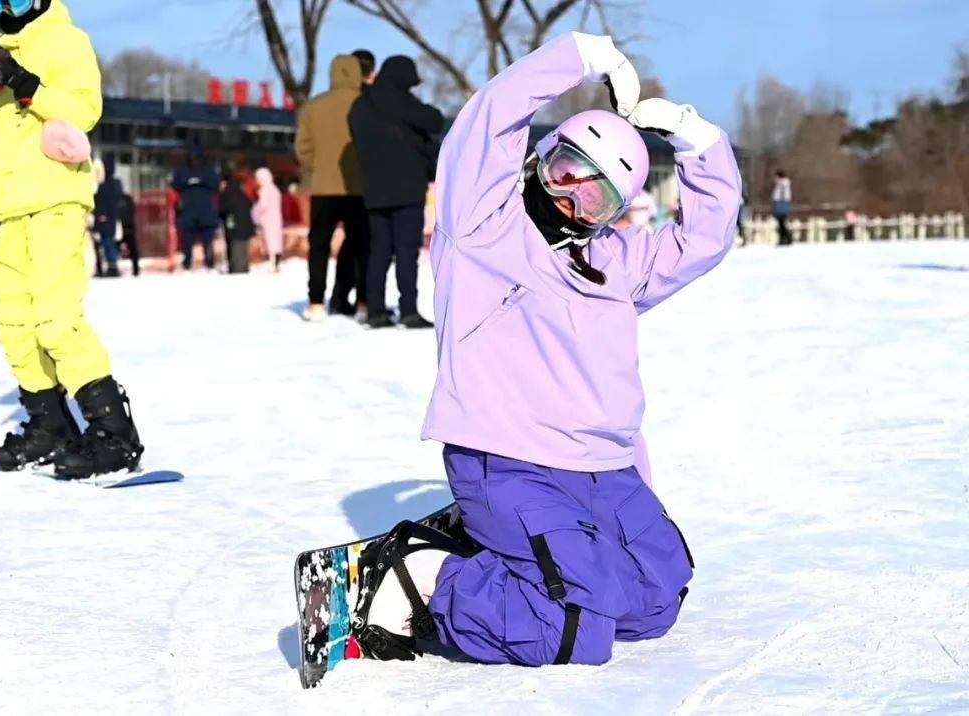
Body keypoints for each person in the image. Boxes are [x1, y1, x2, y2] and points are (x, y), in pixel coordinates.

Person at [352, 32, 740, 669]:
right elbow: (489, 118)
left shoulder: (614, 263)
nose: (570, 195)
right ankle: (420, 583)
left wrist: (696, 138)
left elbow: (703, 238)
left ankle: (501, 555)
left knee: (652, 600)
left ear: (614, 211)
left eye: (595, 194)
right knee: (571, 627)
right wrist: (583, 56)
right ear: (543, 155)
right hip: (509, 460)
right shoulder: (483, 227)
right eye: (567, 170)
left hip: (604, 470)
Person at [0, 0, 144, 478]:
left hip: (55, 198)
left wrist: (24, 83)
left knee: (57, 319)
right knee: (14, 324)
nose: (2, 6)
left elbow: (85, 110)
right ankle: (49, 428)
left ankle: (115, 434)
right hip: (4, 207)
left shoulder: (66, 40)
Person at [349, 55, 444, 329]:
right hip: (407, 188)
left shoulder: (361, 105)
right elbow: (434, 120)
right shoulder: (402, 101)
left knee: (378, 251)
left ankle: (376, 310)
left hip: (374, 189)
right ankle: (408, 310)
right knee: (406, 252)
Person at [295, 55, 372, 322]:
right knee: (362, 247)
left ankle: (316, 301)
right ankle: (363, 302)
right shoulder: (365, 105)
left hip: (323, 187)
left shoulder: (314, 106)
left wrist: (314, 169)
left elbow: (302, 148)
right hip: (360, 187)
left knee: (319, 246)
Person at [172, 146, 221, 270]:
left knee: (207, 240)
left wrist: (198, 182)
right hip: (190, 210)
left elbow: (216, 185)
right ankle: (187, 262)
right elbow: (176, 184)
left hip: (205, 210)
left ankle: (209, 262)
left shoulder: (208, 170)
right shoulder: (183, 171)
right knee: (187, 240)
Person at [218, 167, 256, 274]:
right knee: (244, 250)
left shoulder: (227, 193)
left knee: (236, 250)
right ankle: (244, 269)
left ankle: (236, 270)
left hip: (233, 227)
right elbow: (250, 204)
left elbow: (223, 209)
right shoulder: (241, 192)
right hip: (246, 226)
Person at [93, 153, 122, 277]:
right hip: (110, 217)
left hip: (105, 217)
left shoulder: (106, 184)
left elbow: (103, 200)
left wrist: (102, 214)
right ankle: (111, 266)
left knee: (107, 243)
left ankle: (112, 267)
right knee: (107, 242)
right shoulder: (114, 183)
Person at [252, 167, 284, 272]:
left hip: (269, 220)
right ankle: (274, 263)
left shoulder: (266, 190)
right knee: (275, 242)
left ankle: (273, 264)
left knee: (272, 243)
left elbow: (262, 205)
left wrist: (254, 211)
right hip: (274, 219)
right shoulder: (274, 189)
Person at [118, 190, 140, 276]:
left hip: (119, 227)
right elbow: (133, 210)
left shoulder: (115, 198)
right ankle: (136, 269)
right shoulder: (128, 198)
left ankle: (114, 268)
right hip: (129, 226)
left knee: (114, 248)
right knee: (133, 249)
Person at [772, 169, 792, 245]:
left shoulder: (782, 184)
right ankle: (785, 238)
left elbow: (781, 195)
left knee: (782, 223)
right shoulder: (782, 184)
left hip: (781, 204)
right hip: (781, 204)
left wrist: (778, 203)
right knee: (782, 223)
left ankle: (785, 238)